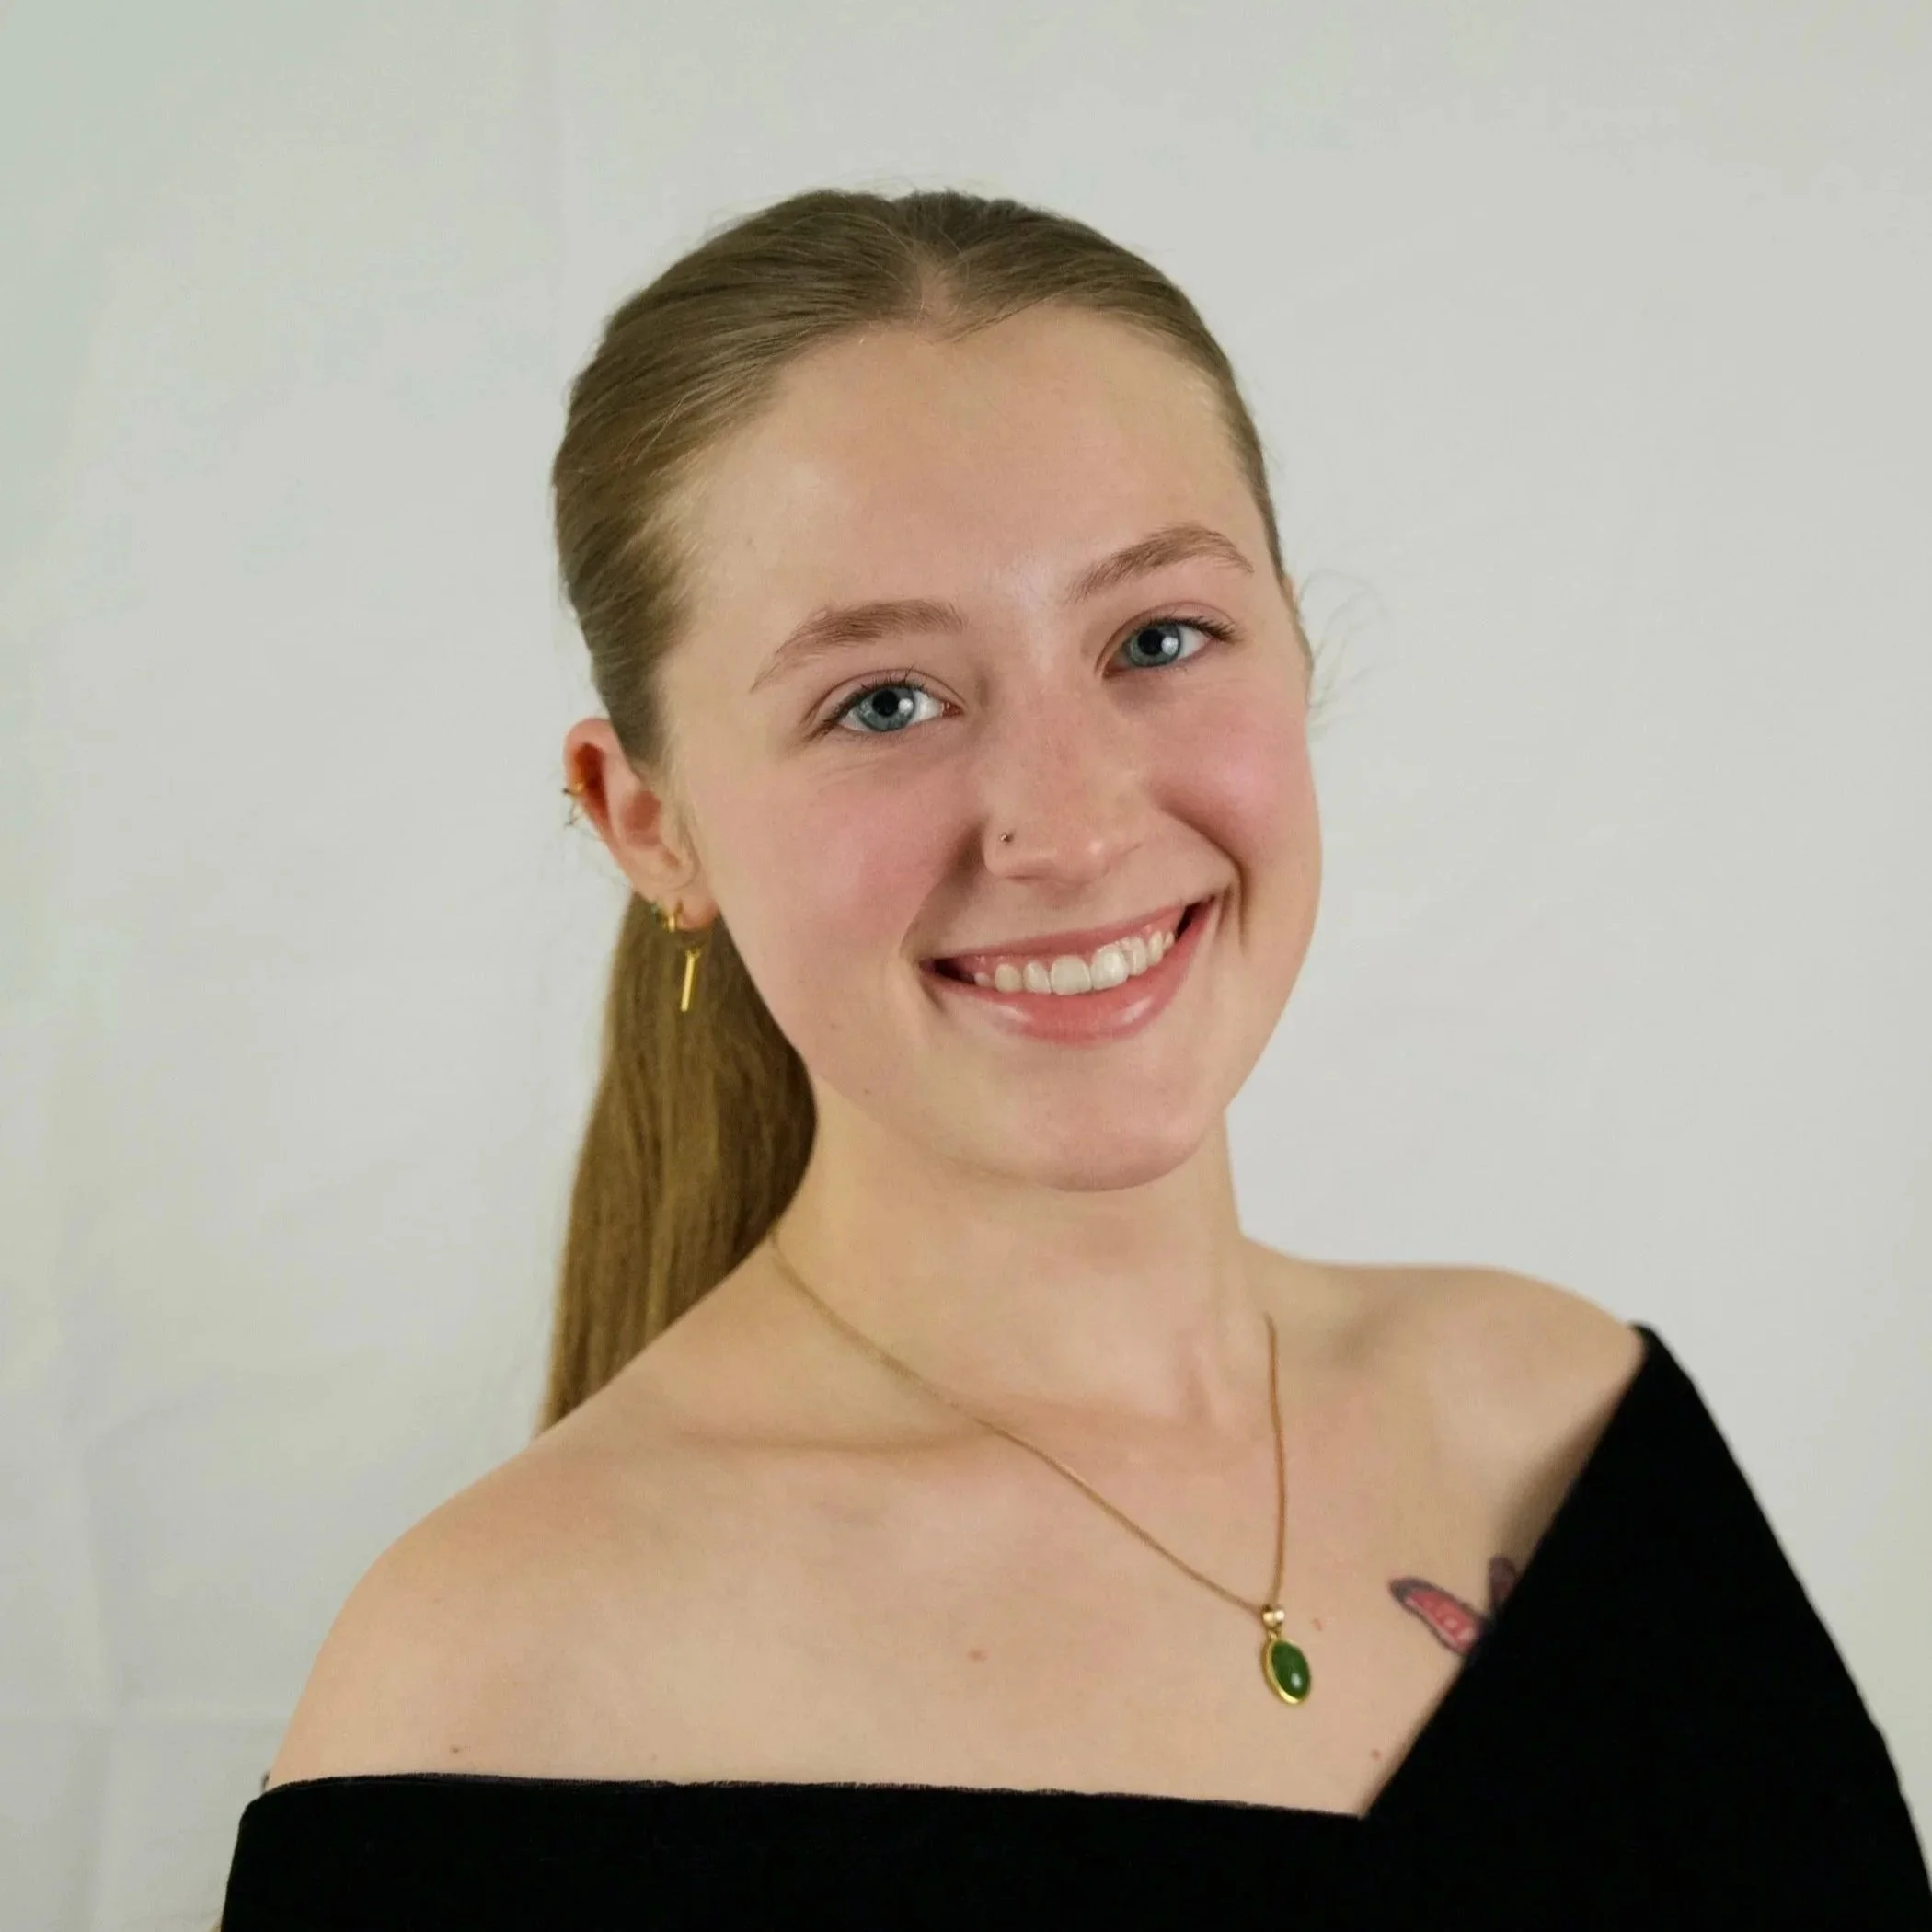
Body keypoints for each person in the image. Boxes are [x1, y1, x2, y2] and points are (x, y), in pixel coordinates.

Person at [217, 186, 1930, 1927]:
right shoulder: (484, 1691)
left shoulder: (1563, 1421)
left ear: (1295, 648)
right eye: (882, 700)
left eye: (1156, 641)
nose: (1077, 824)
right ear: (648, 822)